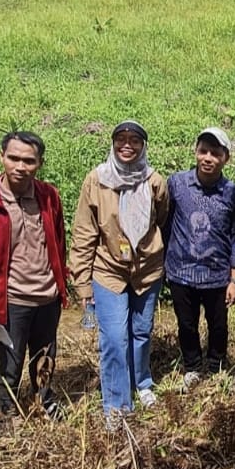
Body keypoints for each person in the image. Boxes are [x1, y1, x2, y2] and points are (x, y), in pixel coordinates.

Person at [0, 131, 68, 418]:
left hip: (47, 296)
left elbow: (58, 242)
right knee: (10, 362)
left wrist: (62, 285)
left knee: (45, 356)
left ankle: (45, 400)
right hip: (10, 299)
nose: (20, 166)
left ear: (39, 163)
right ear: (1, 157)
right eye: (13, 158)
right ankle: (9, 413)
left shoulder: (49, 196)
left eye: (28, 161)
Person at [69, 121, 169, 428]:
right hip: (108, 270)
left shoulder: (154, 181)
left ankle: (142, 383)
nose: (127, 145)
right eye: (121, 139)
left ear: (143, 146)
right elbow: (84, 232)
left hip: (147, 270)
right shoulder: (97, 180)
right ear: (112, 144)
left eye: (135, 140)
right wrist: (82, 283)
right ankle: (117, 405)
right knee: (113, 338)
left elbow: (161, 220)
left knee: (140, 332)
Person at [164, 127, 235, 390]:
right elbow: (166, 224)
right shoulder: (177, 184)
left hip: (216, 275)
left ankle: (216, 366)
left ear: (226, 158)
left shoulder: (234, 194)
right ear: (195, 152)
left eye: (215, 153)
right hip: (181, 272)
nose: (208, 158)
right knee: (186, 324)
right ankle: (191, 366)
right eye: (203, 151)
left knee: (219, 327)